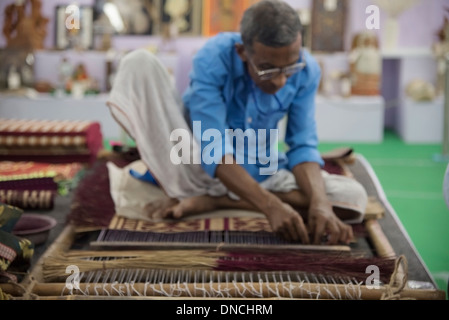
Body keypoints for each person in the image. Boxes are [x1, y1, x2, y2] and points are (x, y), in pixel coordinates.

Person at [107, 0, 368, 246]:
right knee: (138, 63)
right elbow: (213, 147)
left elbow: (302, 145)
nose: (280, 82)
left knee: (352, 197)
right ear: (242, 52)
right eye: (267, 69)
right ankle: (228, 196)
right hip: (196, 163)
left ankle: (215, 201)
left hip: (261, 170)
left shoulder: (306, 69)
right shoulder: (213, 57)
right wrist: (269, 205)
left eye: (289, 68)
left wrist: (320, 203)